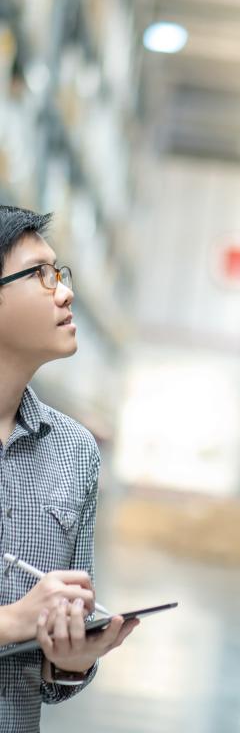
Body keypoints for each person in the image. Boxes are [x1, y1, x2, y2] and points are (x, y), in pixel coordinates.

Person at [0, 205, 138, 732]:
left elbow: (54, 681)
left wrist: (72, 660)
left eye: (60, 273)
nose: (65, 292)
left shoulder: (74, 452)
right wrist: (14, 621)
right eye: (40, 275)